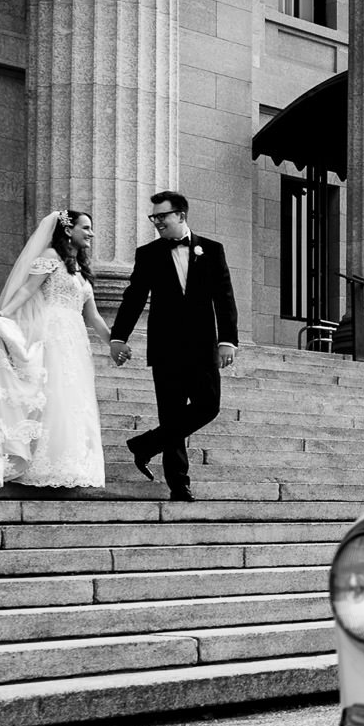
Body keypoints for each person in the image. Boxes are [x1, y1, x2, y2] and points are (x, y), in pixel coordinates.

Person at [0, 208, 111, 492]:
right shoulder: (49, 258)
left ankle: (70, 463)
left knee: (72, 398)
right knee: (52, 394)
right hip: (53, 334)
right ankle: (39, 463)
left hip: (75, 341)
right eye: (86, 227)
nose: (91, 233)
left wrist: (114, 342)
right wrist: (3, 313)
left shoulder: (81, 271)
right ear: (68, 230)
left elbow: (93, 316)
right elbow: (26, 290)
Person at [109, 191, 237, 503]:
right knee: (172, 413)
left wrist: (227, 340)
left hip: (203, 345)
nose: (157, 223)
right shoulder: (148, 253)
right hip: (165, 347)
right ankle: (179, 486)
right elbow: (134, 296)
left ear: (180, 215)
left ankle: (145, 445)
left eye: (162, 217)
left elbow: (224, 297)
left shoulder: (212, 250)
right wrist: (118, 336)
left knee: (209, 405)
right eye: (153, 218)